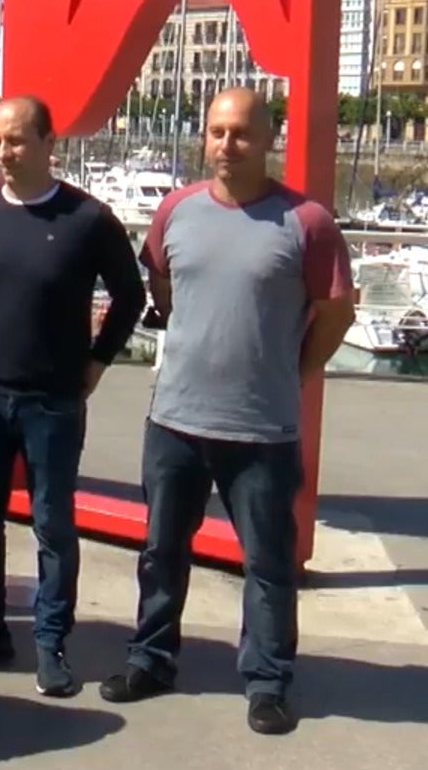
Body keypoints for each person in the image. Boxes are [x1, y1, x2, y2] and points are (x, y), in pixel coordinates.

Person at [99, 87, 355, 737]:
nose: (226, 144)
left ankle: (268, 681)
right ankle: (151, 659)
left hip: (263, 428)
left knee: (268, 563)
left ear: (268, 139)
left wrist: (294, 373)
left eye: (241, 133)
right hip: (175, 420)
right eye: (216, 131)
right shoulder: (175, 211)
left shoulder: (308, 223)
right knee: (161, 551)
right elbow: (162, 285)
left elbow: (335, 313)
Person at [0, 94, 146, 697]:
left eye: (18, 141)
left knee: (53, 523)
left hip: (53, 401)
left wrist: (99, 360)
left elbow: (129, 296)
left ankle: (51, 641)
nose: (4, 152)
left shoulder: (87, 219)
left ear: (50, 144)